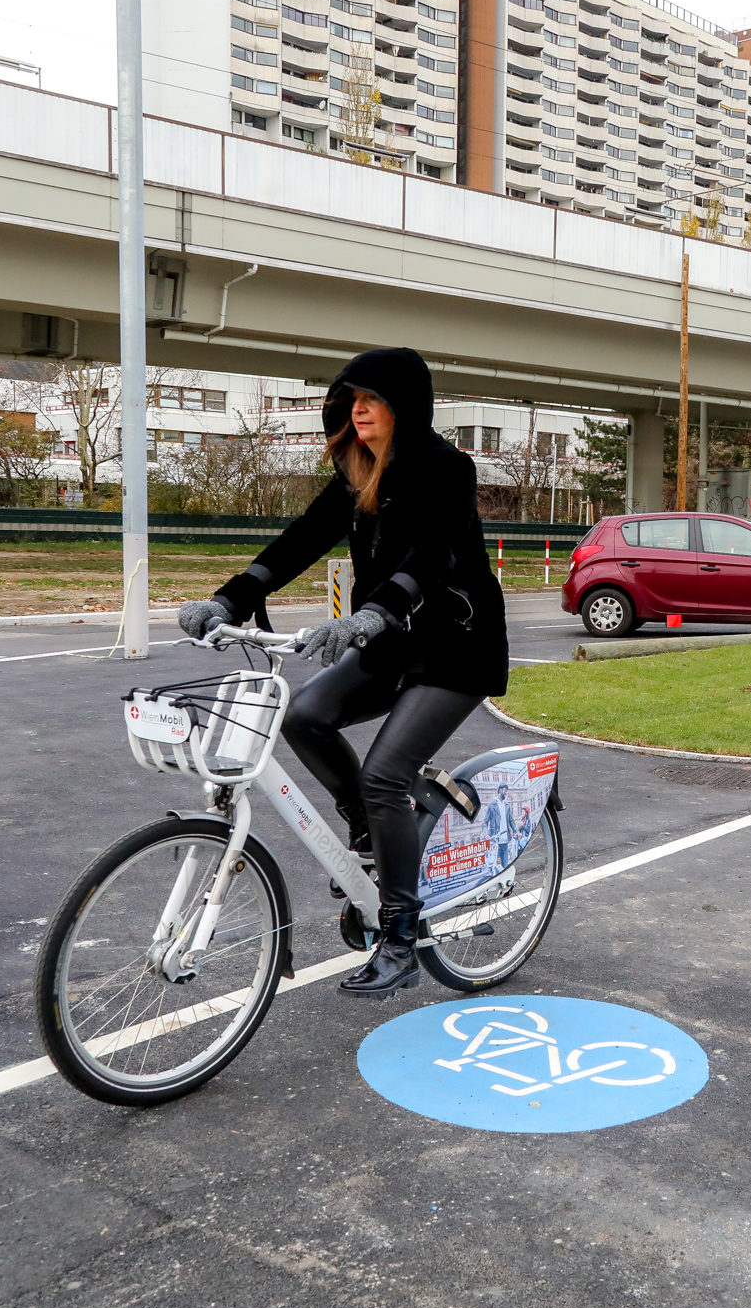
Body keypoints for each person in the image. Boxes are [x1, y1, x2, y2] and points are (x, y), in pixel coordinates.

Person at [178, 347, 508, 998]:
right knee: (303, 716)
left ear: (405, 406)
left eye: (374, 398)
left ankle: (399, 937)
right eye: (351, 397)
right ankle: (369, 827)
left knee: (386, 772)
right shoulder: (358, 470)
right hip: (388, 643)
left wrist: (373, 614)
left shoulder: (448, 468)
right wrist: (231, 597)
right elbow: (302, 538)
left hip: (453, 647)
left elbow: (432, 555)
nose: (358, 408)